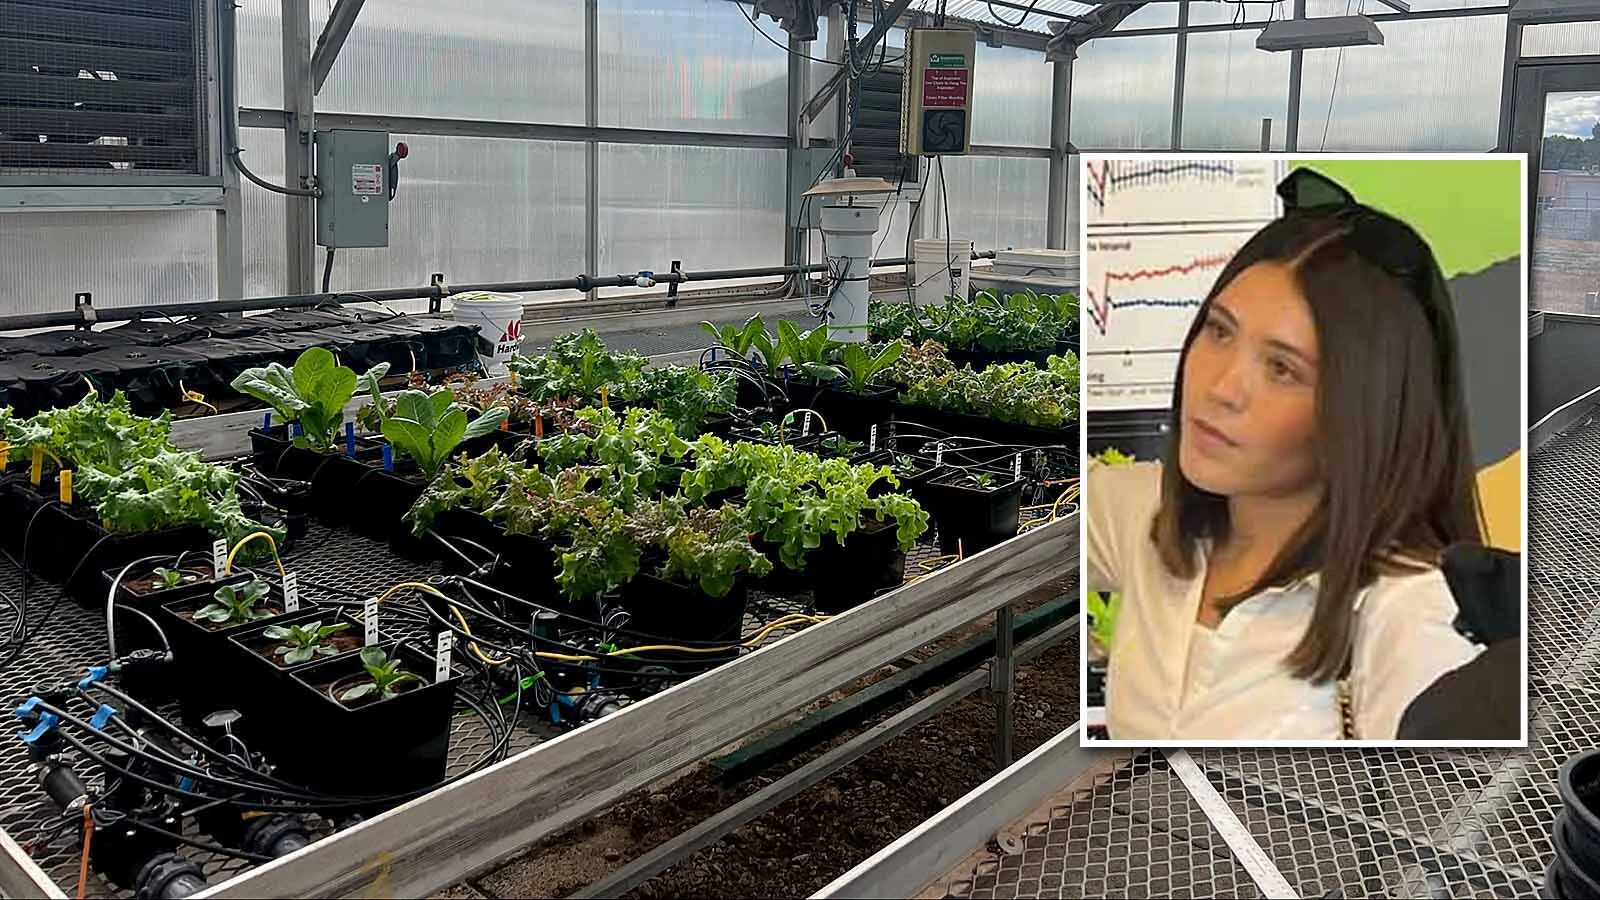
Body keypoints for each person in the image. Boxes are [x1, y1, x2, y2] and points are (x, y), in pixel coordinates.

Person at [1086, 167, 1493, 741]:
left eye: (1281, 368)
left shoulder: (1411, 617)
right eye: (1220, 331)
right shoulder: (1149, 516)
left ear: (1360, 414)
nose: (1220, 387)